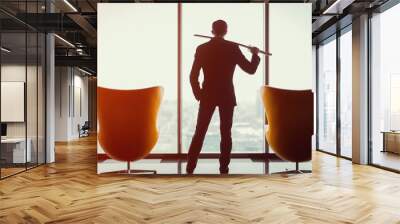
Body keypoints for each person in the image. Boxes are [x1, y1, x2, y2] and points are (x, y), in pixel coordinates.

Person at [187, 19, 260, 174]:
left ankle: (190, 167)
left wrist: (199, 94)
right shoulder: (233, 48)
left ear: (212, 31)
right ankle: (224, 168)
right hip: (226, 95)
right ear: (226, 31)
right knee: (226, 133)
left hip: (207, 95)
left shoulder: (202, 48)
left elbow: (193, 75)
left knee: (200, 131)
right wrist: (255, 55)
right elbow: (250, 69)